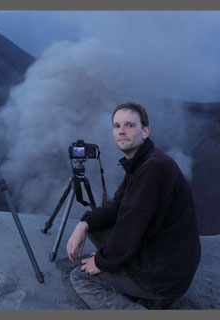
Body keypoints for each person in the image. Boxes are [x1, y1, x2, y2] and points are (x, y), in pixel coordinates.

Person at [66, 102, 201, 310]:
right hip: (165, 259)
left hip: (163, 276)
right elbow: (116, 207)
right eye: (117, 125)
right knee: (96, 227)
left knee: (80, 278)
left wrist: (102, 262)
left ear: (145, 131)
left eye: (129, 125)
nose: (121, 131)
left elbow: (129, 228)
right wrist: (83, 225)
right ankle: (142, 289)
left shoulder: (153, 169)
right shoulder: (143, 163)